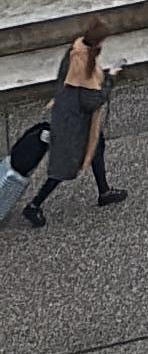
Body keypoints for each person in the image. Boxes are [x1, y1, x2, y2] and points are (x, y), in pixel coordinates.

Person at [20, 22, 124, 224]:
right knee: (63, 166)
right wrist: (110, 79)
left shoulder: (74, 51)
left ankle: (104, 191)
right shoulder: (82, 63)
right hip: (75, 123)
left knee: (97, 147)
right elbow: (91, 101)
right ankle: (34, 205)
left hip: (68, 115)